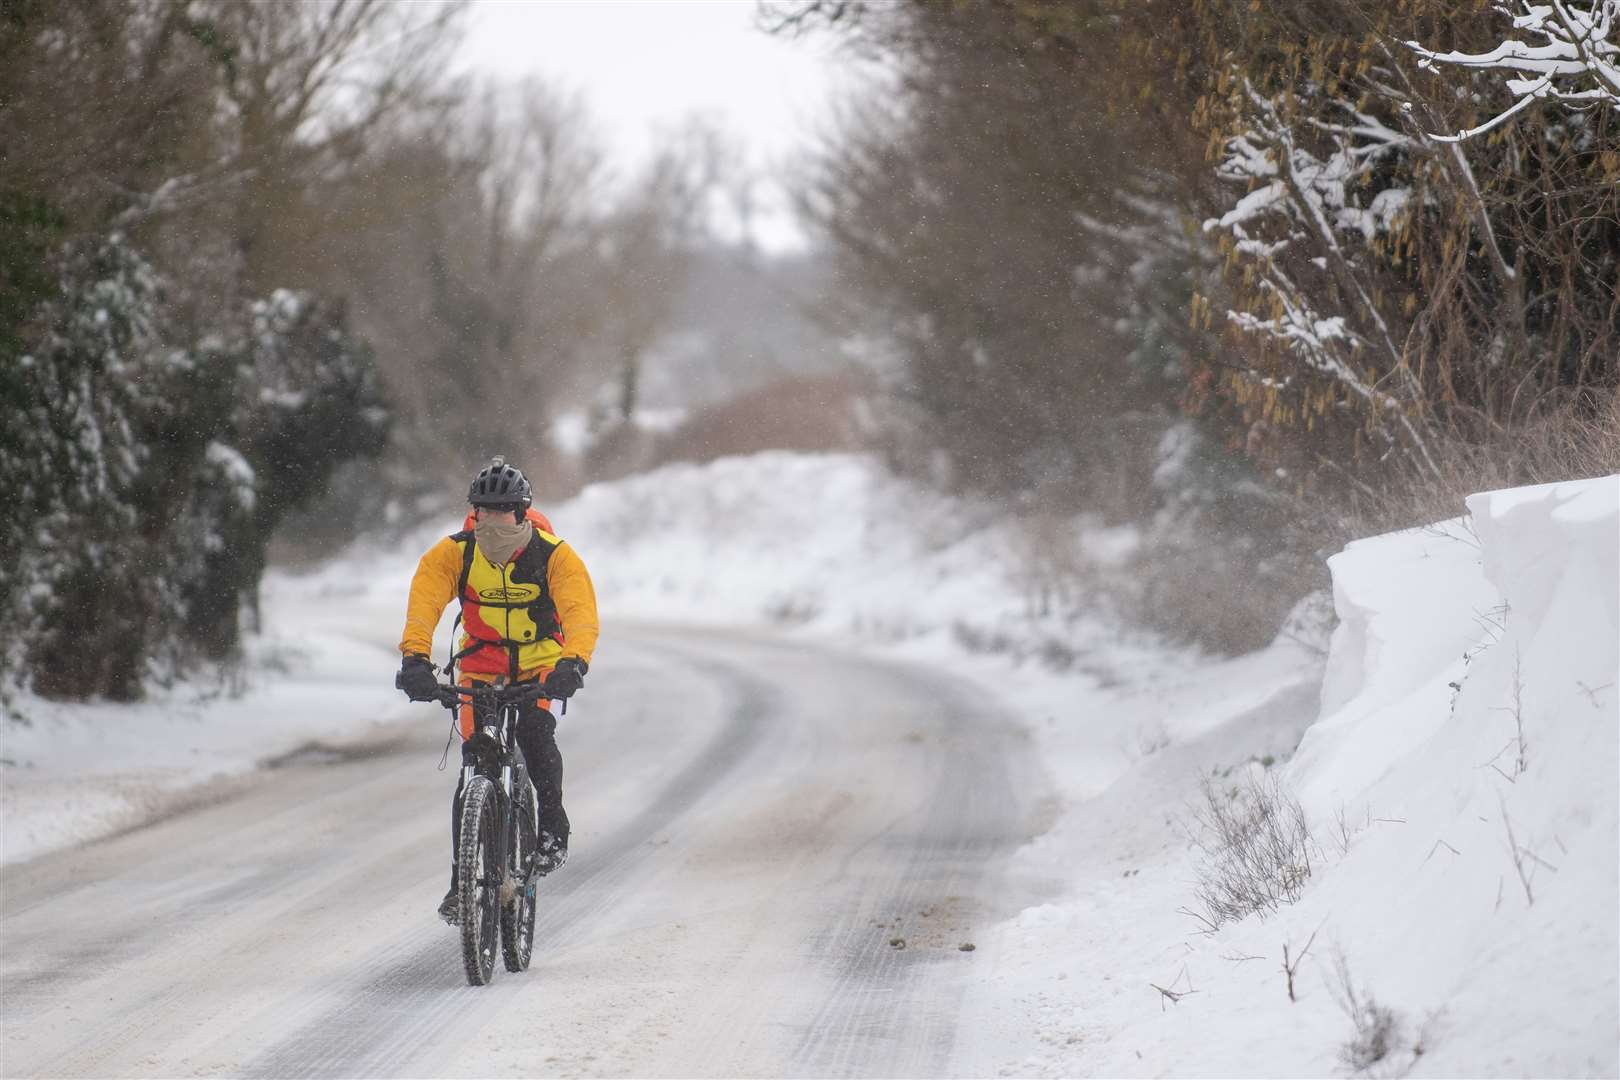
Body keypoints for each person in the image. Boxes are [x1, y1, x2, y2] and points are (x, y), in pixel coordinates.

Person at [396, 456, 599, 925]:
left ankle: (552, 828)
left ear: (522, 512)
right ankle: (461, 882)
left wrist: (574, 662)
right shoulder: (455, 553)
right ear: (474, 513)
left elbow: (580, 612)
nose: (493, 520)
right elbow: (424, 602)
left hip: (540, 663)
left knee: (533, 734)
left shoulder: (554, 555)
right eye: (483, 512)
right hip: (480, 664)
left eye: (503, 511)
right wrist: (415, 660)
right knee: (475, 763)